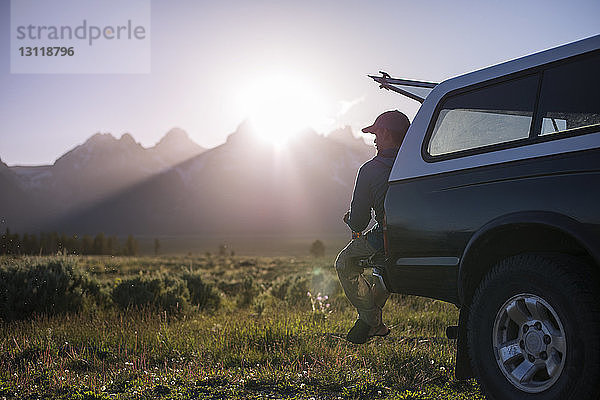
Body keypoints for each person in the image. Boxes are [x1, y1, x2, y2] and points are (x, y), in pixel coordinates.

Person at [335, 110, 410, 344]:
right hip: (423, 234)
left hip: (388, 237)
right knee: (381, 269)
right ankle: (372, 322)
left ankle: (371, 321)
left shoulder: (370, 169)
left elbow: (359, 222)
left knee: (344, 262)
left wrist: (350, 220)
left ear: (386, 133)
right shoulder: (417, 162)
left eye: (376, 134)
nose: (375, 140)